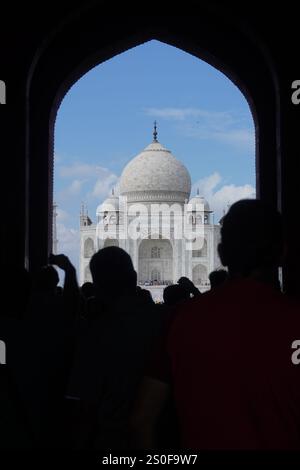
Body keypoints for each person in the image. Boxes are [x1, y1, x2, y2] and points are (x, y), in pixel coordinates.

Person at [131, 199, 300, 449]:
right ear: (284, 251)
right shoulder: (293, 318)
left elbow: (142, 420)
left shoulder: (181, 320)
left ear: (220, 253)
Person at [67, 247, 162, 449]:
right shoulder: (166, 322)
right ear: (134, 276)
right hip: (163, 435)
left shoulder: (93, 332)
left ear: (97, 284)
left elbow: (84, 403)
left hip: (110, 437)